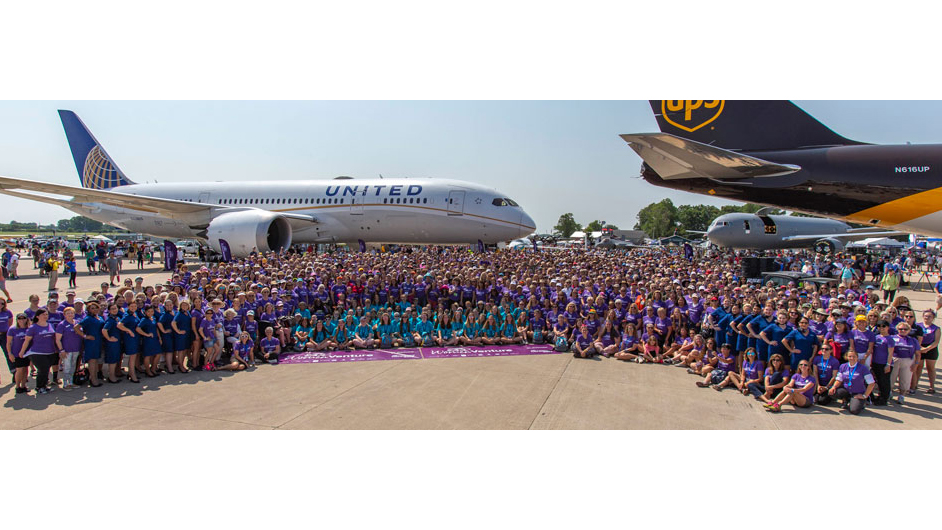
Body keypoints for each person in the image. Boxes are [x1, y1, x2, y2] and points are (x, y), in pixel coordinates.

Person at [19, 309, 58, 394]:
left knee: (46, 370)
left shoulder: (50, 325)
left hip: (50, 352)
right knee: (42, 369)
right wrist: (22, 351)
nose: (45, 316)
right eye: (43, 314)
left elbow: (54, 338)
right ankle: (39, 387)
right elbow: (27, 341)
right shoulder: (33, 327)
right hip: (37, 352)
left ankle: (44, 386)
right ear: (37, 316)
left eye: (47, 314)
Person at [827, 349, 876, 415]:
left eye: (854, 356)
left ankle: (860, 402)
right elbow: (839, 380)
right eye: (850, 356)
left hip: (858, 393)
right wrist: (833, 387)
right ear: (846, 357)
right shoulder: (843, 366)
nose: (852, 358)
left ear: (857, 357)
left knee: (854, 411)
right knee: (832, 393)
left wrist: (864, 395)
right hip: (846, 390)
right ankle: (846, 399)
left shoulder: (863, 368)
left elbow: (871, 383)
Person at [889, 320, 921, 404]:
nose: (903, 331)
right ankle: (889, 393)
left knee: (905, 379)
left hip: (908, 360)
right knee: (891, 377)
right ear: (897, 329)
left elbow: (918, 354)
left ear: (909, 330)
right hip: (895, 359)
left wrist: (916, 364)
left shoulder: (913, 340)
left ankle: (901, 396)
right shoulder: (892, 338)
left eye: (905, 329)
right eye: (900, 329)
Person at [54, 306, 84, 391]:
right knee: (67, 367)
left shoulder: (77, 323)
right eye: (68, 313)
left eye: (71, 313)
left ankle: (71, 382)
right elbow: (58, 339)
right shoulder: (62, 325)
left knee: (73, 366)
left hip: (76, 349)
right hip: (66, 350)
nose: (70, 315)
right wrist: (61, 350)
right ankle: (66, 383)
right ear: (64, 315)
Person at [912, 309, 940, 394]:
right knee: (918, 367)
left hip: (931, 349)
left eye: (929, 316)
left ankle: (932, 386)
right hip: (919, 347)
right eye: (926, 316)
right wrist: (920, 347)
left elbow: (936, 341)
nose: (927, 318)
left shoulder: (936, 328)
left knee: (930, 368)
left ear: (933, 318)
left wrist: (927, 348)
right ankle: (915, 384)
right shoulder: (918, 325)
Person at [77, 301, 104, 387]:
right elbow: (76, 327)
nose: (95, 309)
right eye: (92, 308)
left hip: (99, 341)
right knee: (92, 361)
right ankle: (93, 379)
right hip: (91, 342)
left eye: (96, 307)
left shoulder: (99, 317)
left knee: (96, 360)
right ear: (88, 310)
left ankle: (95, 377)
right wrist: (85, 336)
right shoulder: (88, 318)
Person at [6, 313, 31, 394]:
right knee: (19, 370)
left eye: (23, 318)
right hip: (17, 353)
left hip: (27, 353)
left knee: (25, 369)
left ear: (26, 319)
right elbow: (8, 343)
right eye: (19, 319)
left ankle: (23, 385)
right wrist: (10, 353)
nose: (21, 320)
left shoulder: (29, 329)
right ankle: (17, 386)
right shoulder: (12, 329)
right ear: (17, 320)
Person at [117, 301, 141, 382]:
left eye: (135, 306)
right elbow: (119, 325)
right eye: (132, 306)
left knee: (134, 356)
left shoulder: (134, 314)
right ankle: (133, 375)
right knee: (132, 356)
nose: (133, 308)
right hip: (130, 338)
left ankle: (131, 373)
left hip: (136, 337)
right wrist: (129, 331)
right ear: (128, 307)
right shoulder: (127, 316)